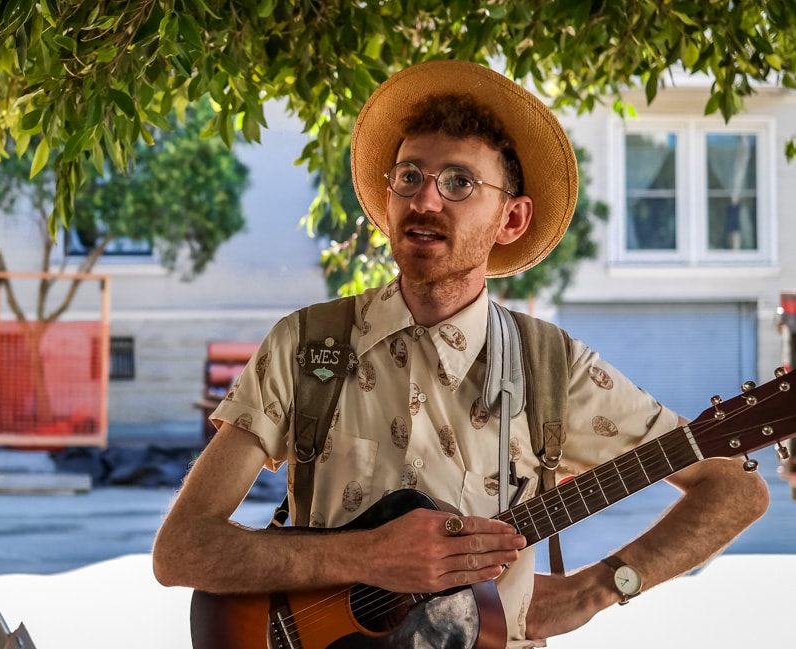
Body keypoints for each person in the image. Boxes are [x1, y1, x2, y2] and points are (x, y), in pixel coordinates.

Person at [152, 60, 769, 648]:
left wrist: (599, 588)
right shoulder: (309, 345)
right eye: (409, 177)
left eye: (458, 183)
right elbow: (181, 550)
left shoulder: (554, 371)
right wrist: (366, 556)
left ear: (512, 219)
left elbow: (735, 487)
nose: (425, 200)